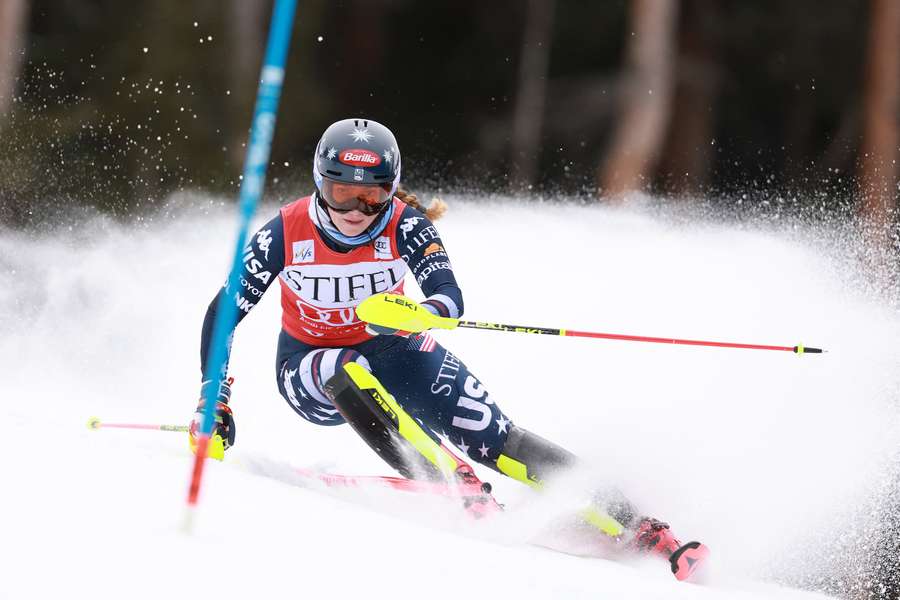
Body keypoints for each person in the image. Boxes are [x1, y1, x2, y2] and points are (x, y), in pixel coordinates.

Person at [190, 117, 706, 579]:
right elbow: (225, 310)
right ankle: (450, 483)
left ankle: (638, 526)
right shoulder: (286, 231)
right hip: (309, 366)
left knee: (496, 435)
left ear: (392, 191)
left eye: (371, 196)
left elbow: (447, 297)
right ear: (318, 183)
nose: (354, 208)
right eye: (340, 191)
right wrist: (213, 396)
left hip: (395, 349)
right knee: (344, 368)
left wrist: (423, 313)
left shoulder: (405, 225)